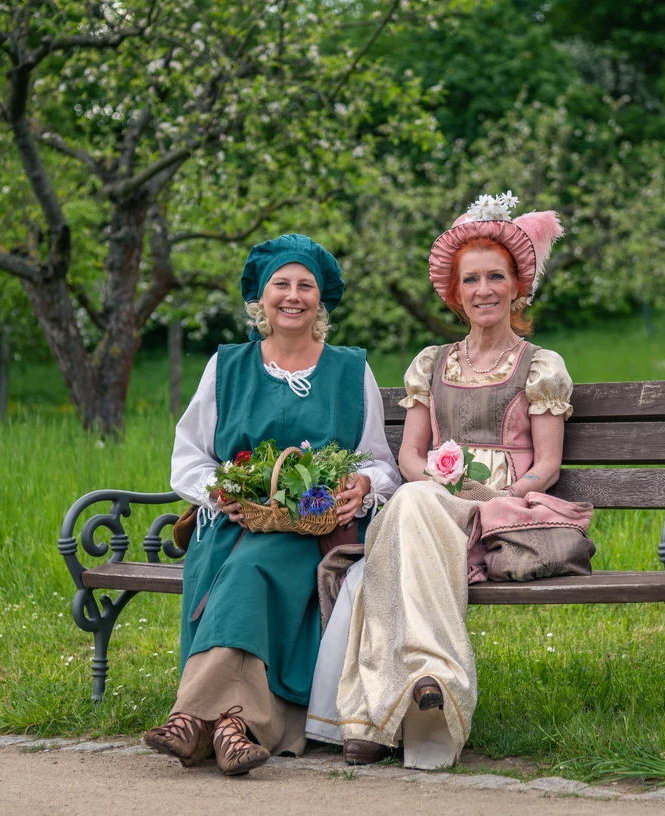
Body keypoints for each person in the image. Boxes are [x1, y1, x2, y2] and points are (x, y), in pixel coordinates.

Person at [312, 193, 575, 769]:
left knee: (403, 518)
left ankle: (370, 720)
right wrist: (435, 484)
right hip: (430, 500)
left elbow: (547, 467)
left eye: (495, 277)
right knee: (411, 505)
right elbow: (409, 455)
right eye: (472, 279)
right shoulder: (431, 363)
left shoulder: (541, 365)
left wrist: (488, 496)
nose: (484, 289)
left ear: (516, 287)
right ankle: (433, 680)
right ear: (455, 292)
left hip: (501, 512)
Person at [143, 234, 400, 776]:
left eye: (305, 285)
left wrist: (362, 486)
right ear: (259, 300)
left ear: (320, 300)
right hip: (235, 524)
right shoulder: (227, 366)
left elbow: (380, 462)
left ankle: (195, 718)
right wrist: (221, 488)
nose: (292, 295)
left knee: (248, 571)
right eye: (280, 284)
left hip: (315, 533)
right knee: (243, 564)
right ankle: (234, 729)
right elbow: (188, 456)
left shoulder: (351, 370)